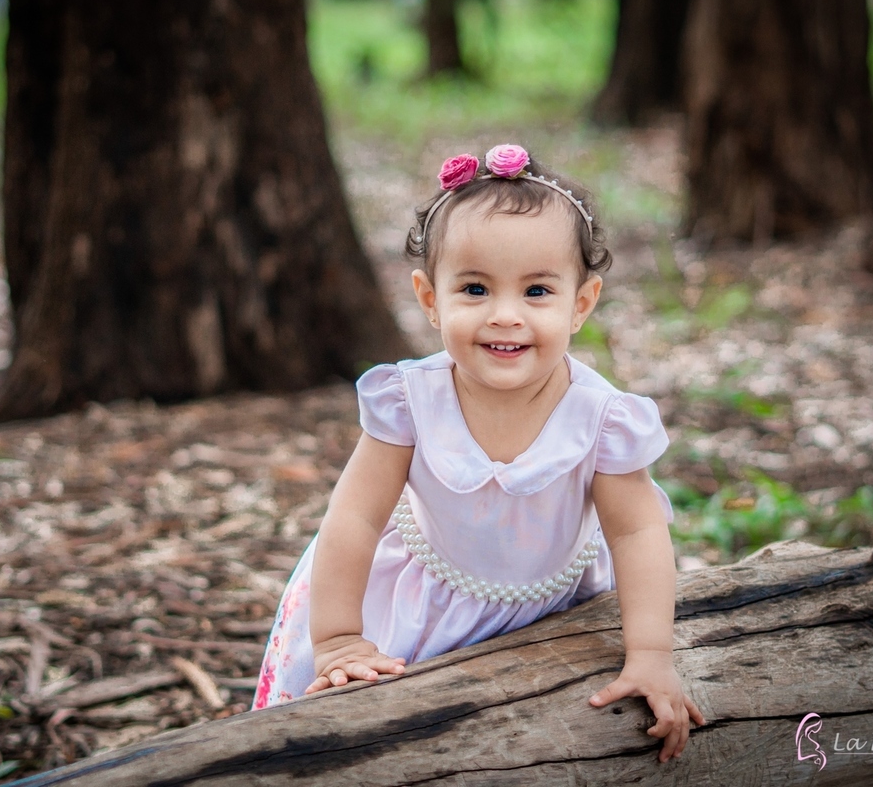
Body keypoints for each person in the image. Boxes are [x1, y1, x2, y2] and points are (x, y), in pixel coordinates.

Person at [252, 144, 705, 762]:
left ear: (582, 303)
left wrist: (650, 654)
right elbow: (354, 518)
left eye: (538, 291)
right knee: (387, 748)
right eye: (474, 288)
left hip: (554, 603)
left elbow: (636, 533)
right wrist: (337, 640)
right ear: (429, 298)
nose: (505, 316)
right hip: (420, 604)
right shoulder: (409, 401)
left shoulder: (601, 418)